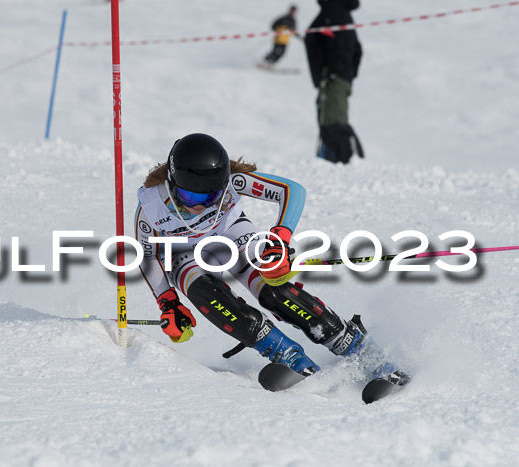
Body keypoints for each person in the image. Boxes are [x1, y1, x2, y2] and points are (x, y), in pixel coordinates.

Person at [134, 133, 399, 388]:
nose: (203, 206)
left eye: (213, 196)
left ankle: (359, 348)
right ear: (172, 181)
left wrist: (279, 241)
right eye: (192, 196)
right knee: (205, 293)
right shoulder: (150, 207)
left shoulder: (235, 180)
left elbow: (292, 191)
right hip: (184, 252)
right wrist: (167, 301)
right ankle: (287, 355)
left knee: (274, 287)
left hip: (230, 232)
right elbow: (149, 256)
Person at [304, 0, 363, 164]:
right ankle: (342, 160)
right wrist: (349, 73)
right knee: (336, 118)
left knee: (332, 120)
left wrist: (323, 73)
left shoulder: (330, 12)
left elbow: (311, 38)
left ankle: (337, 161)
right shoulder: (346, 15)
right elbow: (358, 49)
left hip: (333, 78)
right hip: (342, 78)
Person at [260, 5, 299, 69]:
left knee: (282, 53)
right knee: (275, 51)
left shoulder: (293, 21)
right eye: (292, 10)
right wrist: (277, 31)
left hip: (285, 40)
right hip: (278, 38)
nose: (293, 12)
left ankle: (271, 63)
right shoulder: (283, 18)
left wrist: (301, 38)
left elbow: (294, 31)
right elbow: (273, 25)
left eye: (294, 11)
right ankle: (265, 61)